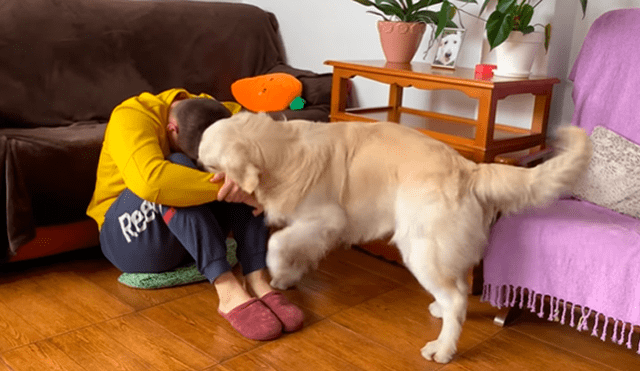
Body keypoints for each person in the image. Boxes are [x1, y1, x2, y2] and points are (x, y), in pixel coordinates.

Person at [86, 88, 304, 341]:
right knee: (177, 166)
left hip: (191, 239)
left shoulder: (224, 114)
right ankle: (227, 290)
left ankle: (257, 278)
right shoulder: (131, 116)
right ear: (172, 130)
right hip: (130, 241)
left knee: (242, 167)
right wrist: (243, 190)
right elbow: (151, 184)